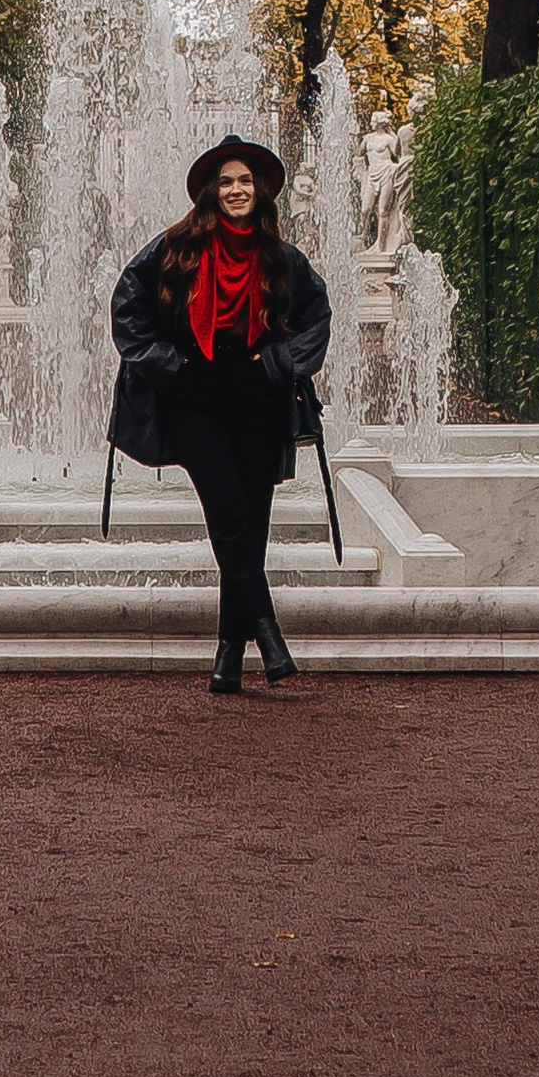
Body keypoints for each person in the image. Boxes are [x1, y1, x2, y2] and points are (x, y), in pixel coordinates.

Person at [109, 136, 332, 697]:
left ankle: (228, 655)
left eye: (246, 181)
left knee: (250, 525)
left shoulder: (280, 257)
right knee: (229, 513)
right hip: (194, 398)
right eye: (228, 181)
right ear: (213, 190)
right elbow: (127, 305)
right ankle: (267, 631)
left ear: (259, 192)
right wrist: (170, 367)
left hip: (257, 397)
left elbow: (316, 315)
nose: (237, 190)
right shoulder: (176, 247)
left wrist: (277, 365)